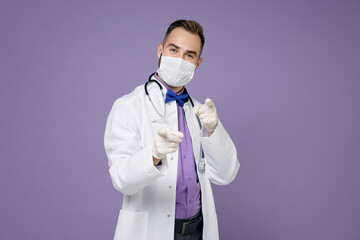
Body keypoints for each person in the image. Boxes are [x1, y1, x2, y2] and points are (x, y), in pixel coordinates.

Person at [104, 19, 240, 240]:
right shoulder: (129, 106)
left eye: (189, 55)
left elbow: (226, 174)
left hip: (198, 229)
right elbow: (121, 180)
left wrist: (214, 130)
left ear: (198, 62)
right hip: (151, 231)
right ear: (160, 50)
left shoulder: (201, 111)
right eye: (173, 50)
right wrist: (153, 156)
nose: (179, 60)